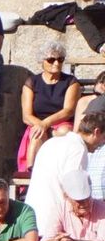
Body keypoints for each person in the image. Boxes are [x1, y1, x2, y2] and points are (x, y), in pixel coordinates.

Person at [28, 111, 105, 240]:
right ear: (96, 132)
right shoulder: (78, 149)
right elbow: (75, 190)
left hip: (34, 218)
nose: (102, 143)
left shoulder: (52, 142)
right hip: (54, 223)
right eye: (104, 138)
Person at [18, 40, 81, 173]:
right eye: (51, 60)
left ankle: (61, 172)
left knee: (65, 132)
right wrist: (41, 125)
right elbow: (26, 116)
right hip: (37, 123)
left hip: (61, 122)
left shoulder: (71, 82)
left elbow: (68, 110)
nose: (56, 63)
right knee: (36, 134)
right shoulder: (32, 82)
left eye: (60, 59)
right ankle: (30, 173)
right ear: (42, 61)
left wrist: (45, 124)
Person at [40, 168, 105, 241]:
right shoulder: (59, 209)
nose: (84, 203)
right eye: (79, 200)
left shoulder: (102, 207)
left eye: (87, 198)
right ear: (66, 196)